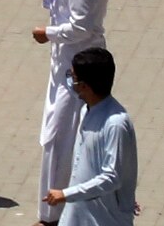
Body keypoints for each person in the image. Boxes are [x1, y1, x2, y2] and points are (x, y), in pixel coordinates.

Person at [33, 0, 113, 203]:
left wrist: (47, 33)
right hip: (91, 56)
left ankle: (52, 209)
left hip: (74, 63)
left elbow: (80, 25)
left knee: (58, 136)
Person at [48, 48, 132, 226]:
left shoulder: (115, 124)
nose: (71, 82)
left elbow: (112, 177)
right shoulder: (87, 109)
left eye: (74, 77)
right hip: (77, 216)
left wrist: (66, 194)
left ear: (85, 86)